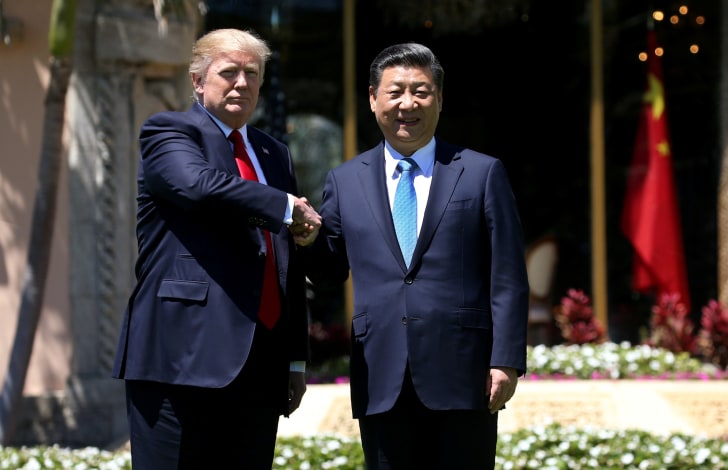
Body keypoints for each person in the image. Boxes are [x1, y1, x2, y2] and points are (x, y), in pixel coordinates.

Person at [302, 42, 529, 469]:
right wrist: (307, 240)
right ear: (373, 99)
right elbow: (330, 271)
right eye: (395, 91)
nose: (408, 103)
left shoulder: (481, 172)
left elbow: (508, 276)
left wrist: (507, 359)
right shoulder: (345, 180)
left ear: (440, 99)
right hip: (380, 374)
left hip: (464, 374)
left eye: (421, 91)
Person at [111, 28, 321, 469]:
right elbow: (199, 186)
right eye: (229, 72)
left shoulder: (273, 152)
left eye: (252, 73)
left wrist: (296, 357)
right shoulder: (170, 131)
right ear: (197, 80)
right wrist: (286, 206)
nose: (242, 83)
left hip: (261, 365)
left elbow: (285, 260)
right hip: (180, 357)